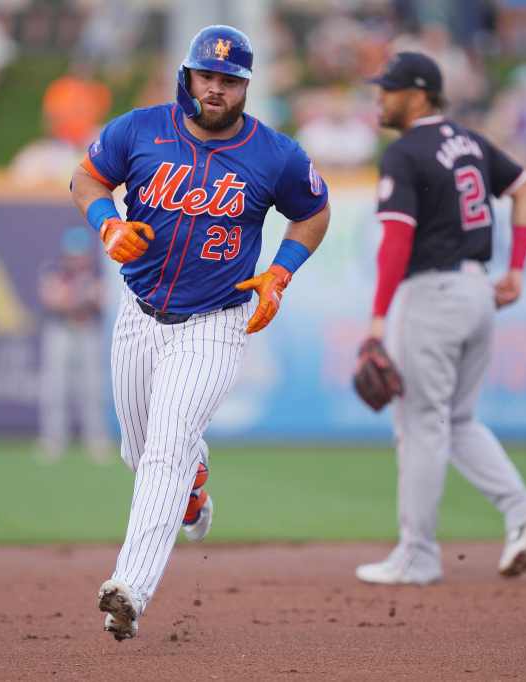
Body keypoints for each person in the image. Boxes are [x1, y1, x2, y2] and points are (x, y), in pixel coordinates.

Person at [68, 24, 330, 641]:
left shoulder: (276, 154)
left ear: (245, 86)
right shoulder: (139, 128)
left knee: (165, 448)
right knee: (141, 451)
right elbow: (86, 178)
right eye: (206, 76)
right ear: (187, 76)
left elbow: (314, 212)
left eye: (229, 80)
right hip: (139, 311)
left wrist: (280, 274)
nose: (215, 89)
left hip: (215, 321)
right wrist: (108, 224)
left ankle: (128, 589)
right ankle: (195, 488)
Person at [354, 52, 526, 586]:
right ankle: (521, 506)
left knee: (421, 424)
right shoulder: (470, 142)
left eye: (388, 89)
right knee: (458, 419)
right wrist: (516, 269)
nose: (380, 97)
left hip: (433, 294)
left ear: (418, 94)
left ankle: (417, 555)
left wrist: (376, 321)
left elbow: (396, 241)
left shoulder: (405, 152)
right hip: (477, 292)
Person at [37, 226, 111, 463]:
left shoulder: (95, 273)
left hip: (88, 330)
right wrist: (78, 299)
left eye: (81, 254)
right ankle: (53, 439)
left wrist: (75, 299)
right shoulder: (55, 271)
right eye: (73, 254)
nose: (77, 259)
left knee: (92, 388)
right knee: (56, 387)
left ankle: (96, 439)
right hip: (61, 330)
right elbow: (53, 300)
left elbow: (100, 301)